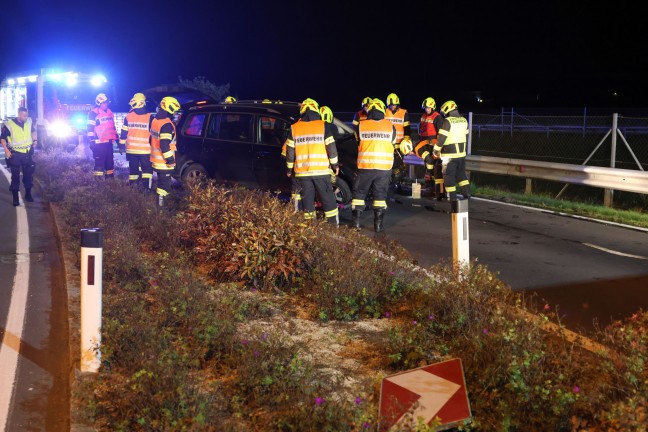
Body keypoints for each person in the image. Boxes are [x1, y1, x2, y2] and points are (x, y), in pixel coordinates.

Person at [351, 98, 404, 233]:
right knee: (380, 196)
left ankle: (356, 223)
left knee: (359, 193)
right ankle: (378, 226)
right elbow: (392, 143)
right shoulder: (390, 126)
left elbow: (358, 142)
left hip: (365, 166)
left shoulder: (361, 125)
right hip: (384, 168)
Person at [284, 98, 339, 225]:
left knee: (307, 201)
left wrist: (289, 169)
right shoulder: (323, 125)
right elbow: (331, 148)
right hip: (321, 172)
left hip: (303, 174)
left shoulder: (294, 128)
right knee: (328, 200)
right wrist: (335, 165)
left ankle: (310, 229)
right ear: (316, 109)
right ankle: (333, 226)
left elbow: (290, 152)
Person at [433, 100, 471, 201]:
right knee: (461, 175)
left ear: (447, 110)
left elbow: (441, 139)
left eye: (444, 112)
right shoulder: (464, 120)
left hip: (449, 156)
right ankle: (467, 195)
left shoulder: (447, 121)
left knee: (448, 177)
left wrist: (435, 151)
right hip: (461, 155)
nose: (444, 114)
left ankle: (453, 199)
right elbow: (466, 136)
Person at [1, 107, 37, 206]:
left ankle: (28, 194)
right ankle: (15, 198)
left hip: (28, 153)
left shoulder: (29, 121)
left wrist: (35, 140)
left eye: (27, 115)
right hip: (15, 154)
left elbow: (33, 131)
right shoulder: (9, 124)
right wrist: (6, 150)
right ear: (19, 115)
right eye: (24, 115)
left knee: (28, 176)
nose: (26, 117)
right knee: (15, 177)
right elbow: (3, 138)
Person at [149, 96, 181, 206]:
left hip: (155, 160)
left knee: (161, 183)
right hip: (164, 163)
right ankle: (161, 208)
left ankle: (159, 205)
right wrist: (170, 160)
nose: (175, 113)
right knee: (164, 186)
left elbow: (151, 139)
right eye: (175, 111)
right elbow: (164, 144)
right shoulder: (167, 124)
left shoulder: (155, 120)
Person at [119, 93, 153, 189]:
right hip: (145, 151)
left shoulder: (128, 116)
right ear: (142, 103)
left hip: (131, 150)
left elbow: (123, 132)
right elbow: (154, 134)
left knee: (133, 170)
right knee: (147, 171)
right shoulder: (150, 117)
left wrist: (121, 146)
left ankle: (133, 189)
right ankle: (146, 189)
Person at [415, 97, 446, 200]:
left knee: (431, 164)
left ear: (433, 107)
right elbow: (422, 129)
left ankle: (432, 188)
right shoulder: (423, 116)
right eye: (425, 108)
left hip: (433, 145)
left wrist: (438, 148)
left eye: (428, 108)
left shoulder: (437, 117)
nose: (426, 110)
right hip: (424, 144)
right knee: (428, 164)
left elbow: (440, 134)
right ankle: (429, 187)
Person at [87, 93, 118, 179]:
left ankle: (110, 182)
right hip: (99, 144)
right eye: (104, 102)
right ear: (99, 103)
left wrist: (117, 140)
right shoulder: (93, 113)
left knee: (110, 164)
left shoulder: (109, 112)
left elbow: (113, 127)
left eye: (107, 102)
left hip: (109, 143)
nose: (106, 104)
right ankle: (98, 184)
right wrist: (91, 140)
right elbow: (90, 128)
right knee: (99, 165)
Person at [385, 93, 411, 184]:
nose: (392, 107)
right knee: (388, 165)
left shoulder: (403, 113)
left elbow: (407, 128)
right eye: (390, 105)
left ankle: (399, 183)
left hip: (400, 145)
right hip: (388, 145)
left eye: (394, 105)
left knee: (400, 167)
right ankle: (389, 183)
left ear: (397, 104)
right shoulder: (385, 112)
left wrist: (407, 141)